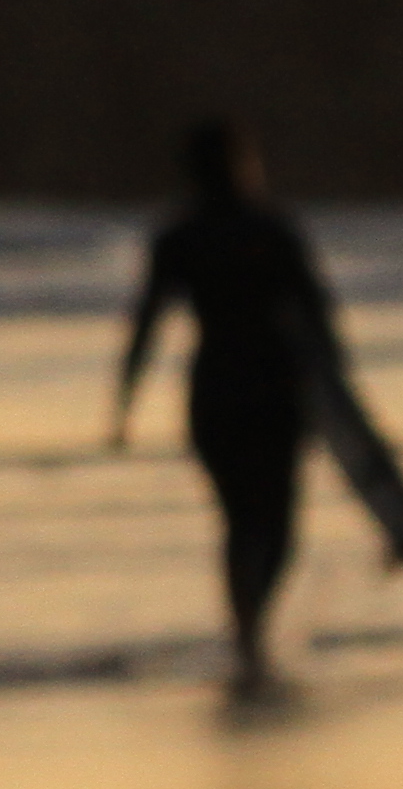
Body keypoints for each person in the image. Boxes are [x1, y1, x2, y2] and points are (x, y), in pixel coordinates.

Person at [110, 115, 338, 691]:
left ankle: (247, 632)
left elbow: (146, 321)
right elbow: (317, 314)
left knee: (238, 520)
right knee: (279, 522)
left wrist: (124, 402)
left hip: (215, 390)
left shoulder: (179, 235)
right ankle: (251, 630)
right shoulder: (271, 228)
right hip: (273, 385)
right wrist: (333, 386)